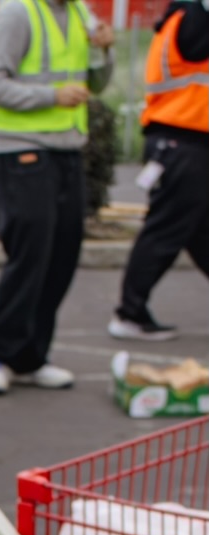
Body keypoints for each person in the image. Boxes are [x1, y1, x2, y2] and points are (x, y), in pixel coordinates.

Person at [0, 0, 115, 395]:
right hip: (20, 150)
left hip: (67, 149)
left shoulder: (80, 13)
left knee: (61, 255)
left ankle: (31, 356)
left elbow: (94, 85)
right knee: (31, 253)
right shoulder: (18, 14)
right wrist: (51, 96)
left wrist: (104, 50)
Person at [109, 0, 209, 341]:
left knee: (198, 232)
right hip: (183, 141)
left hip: (185, 141)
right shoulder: (193, 18)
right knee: (167, 230)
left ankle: (131, 312)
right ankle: (130, 313)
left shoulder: (185, 16)